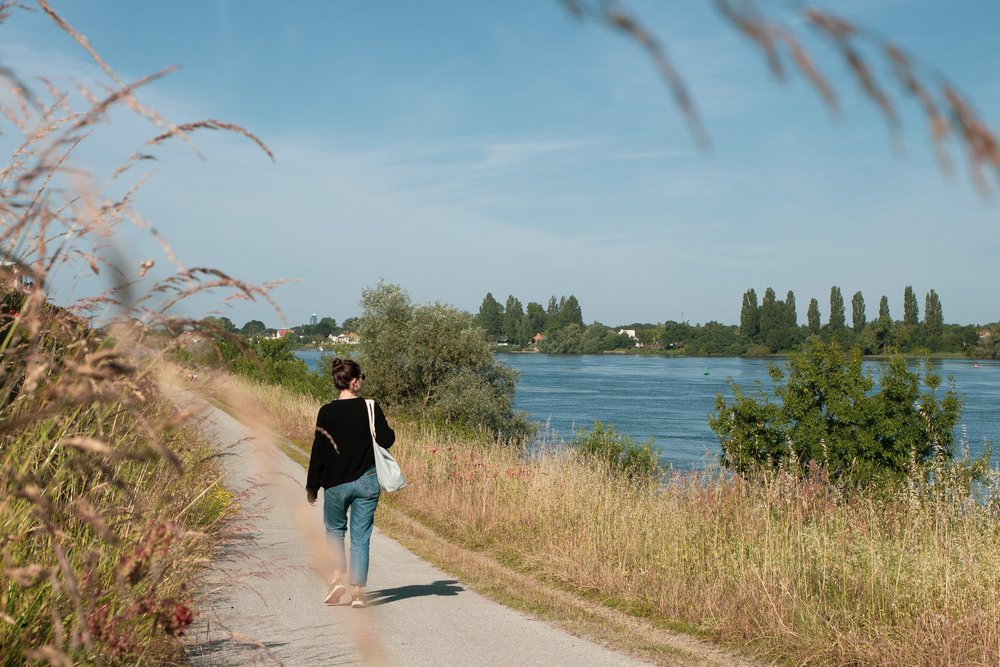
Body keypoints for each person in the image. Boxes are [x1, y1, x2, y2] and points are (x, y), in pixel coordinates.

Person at [306, 358, 395, 608]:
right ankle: (357, 593)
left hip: (334, 485)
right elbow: (387, 439)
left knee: (334, 532)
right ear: (355, 382)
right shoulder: (370, 407)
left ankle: (336, 580)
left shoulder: (326, 412)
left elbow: (318, 451)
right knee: (360, 537)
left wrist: (312, 486)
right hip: (366, 482)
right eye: (361, 378)